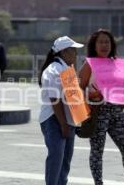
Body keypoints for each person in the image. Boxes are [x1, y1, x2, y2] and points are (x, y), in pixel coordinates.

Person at [79, 29, 124, 185]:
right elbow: (77, 89)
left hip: (117, 112)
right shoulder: (89, 64)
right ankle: (98, 183)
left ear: (112, 45)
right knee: (97, 152)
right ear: (94, 45)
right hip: (98, 112)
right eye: (101, 42)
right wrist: (91, 95)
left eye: (107, 42)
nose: (104, 45)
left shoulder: (118, 63)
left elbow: (123, 86)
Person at [38, 36, 84, 185]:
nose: (76, 54)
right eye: (74, 51)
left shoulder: (67, 69)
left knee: (65, 161)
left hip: (67, 120)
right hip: (54, 119)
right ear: (64, 52)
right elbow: (55, 100)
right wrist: (63, 125)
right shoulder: (53, 70)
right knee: (56, 158)